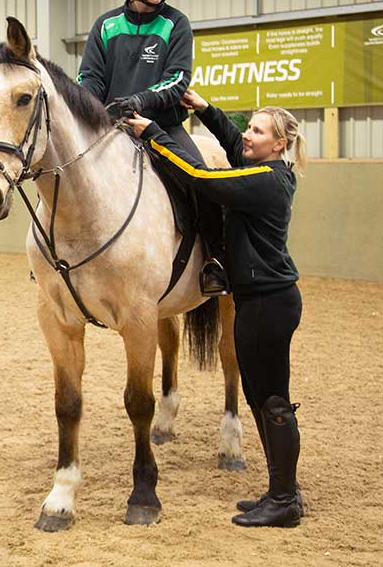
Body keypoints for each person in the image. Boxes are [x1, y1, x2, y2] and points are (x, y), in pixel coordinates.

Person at [127, 89, 308, 528]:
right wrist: (205, 110)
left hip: (268, 302)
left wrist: (154, 133)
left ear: (279, 144)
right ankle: (280, 490)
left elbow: (200, 178)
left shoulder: (265, 181)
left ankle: (285, 498)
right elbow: (230, 142)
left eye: (258, 131)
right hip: (260, 299)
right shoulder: (264, 168)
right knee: (261, 396)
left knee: (273, 401)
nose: (248, 135)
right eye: (250, 127)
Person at [78, 0, 227, 295]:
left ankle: (215, 262)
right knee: (68, 169)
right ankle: (55, 257)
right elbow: (89, 78)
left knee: (202, 178)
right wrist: (91, 108)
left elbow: (178, 81)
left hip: (164, 127)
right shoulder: (106, 26)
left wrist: (138, 101)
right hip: (111, 127)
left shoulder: (176, 24)